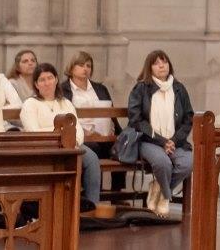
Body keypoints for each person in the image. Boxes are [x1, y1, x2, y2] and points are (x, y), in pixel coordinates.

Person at [20, 63, 102, 208]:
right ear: (36, 84)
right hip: (44, 147)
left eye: (50, 78)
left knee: (91, 158)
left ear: (56, 80)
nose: (47, 83)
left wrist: (74, 141)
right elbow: (33, 130)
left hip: (70, 145)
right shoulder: (30, 104)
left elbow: (77, 127)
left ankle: (92, 206)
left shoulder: (65, 103)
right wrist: (60, 131)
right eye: (42, 80)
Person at [127, 50, 194, 216]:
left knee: (188, 163)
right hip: (149, 141)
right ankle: (166, 195)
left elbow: (188, 118)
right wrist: (161, 141)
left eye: (164, 62)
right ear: (150, 68)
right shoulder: (141, 88)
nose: (162, 65)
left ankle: (161, 191)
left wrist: (173, 140)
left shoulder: (179, 89)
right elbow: (136, 121)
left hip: (174, 142)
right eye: (156, 63)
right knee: (163, 163)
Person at [60, 50, 124, 189]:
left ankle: (118, 194)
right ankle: (94, 193)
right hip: (82, 136)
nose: (85, 69)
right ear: (71, 67)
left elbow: (110, 113)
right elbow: (66, 118)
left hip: (104, 135)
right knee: (94, 149)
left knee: (122, 147)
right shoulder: (63, 89)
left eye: (88, 65)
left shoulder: (100, 88)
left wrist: (118, 133)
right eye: (81, 65)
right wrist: (85, 133)